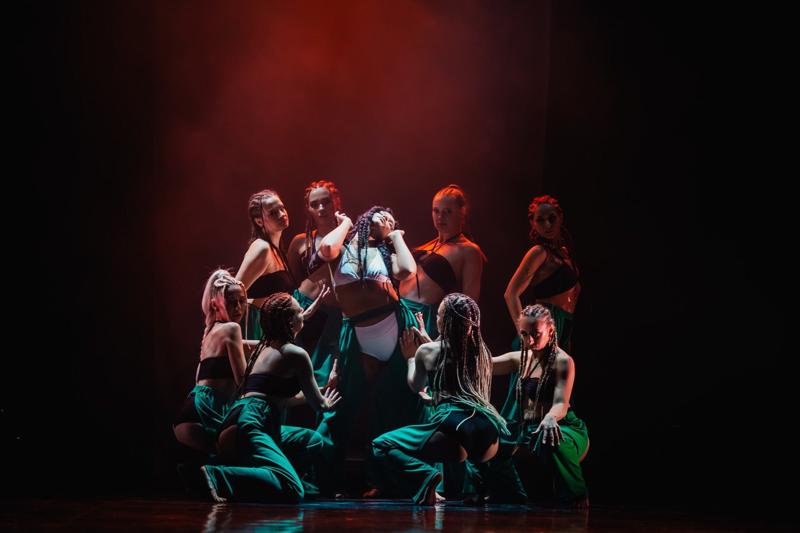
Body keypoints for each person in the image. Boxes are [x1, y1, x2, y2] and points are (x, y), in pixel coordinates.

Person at [201, 293, 341, 503]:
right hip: (253, 422)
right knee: (293, 490)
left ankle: (282, 476)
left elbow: (283, 399)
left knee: (312, 440)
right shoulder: (296, 354)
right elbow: (319, 404)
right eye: (299, 311)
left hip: (238, 420)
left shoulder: (262, 349)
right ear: (290, 320)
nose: (303, 312)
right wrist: (328, 400)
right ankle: (219, 475)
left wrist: (322, 388)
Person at [371, 293, 508, 504]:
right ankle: (480, 489)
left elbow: (416, 385)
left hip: (454, 428)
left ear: (446, 321)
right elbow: (456, 373)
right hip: (488, 434)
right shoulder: (482, 352)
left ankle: (426, 476)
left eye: (439, 315)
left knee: (381, 444)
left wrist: (411, 357)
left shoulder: (427, 351)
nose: (436, 318)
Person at [173, 269, 247, 454]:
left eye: (242, 301)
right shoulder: (232, 329)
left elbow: (249, 345)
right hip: (204, 413)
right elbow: (243, 382)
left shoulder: (211, 332)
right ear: (216, 304)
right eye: (232, 302)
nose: (238, 308)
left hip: (189, 413)